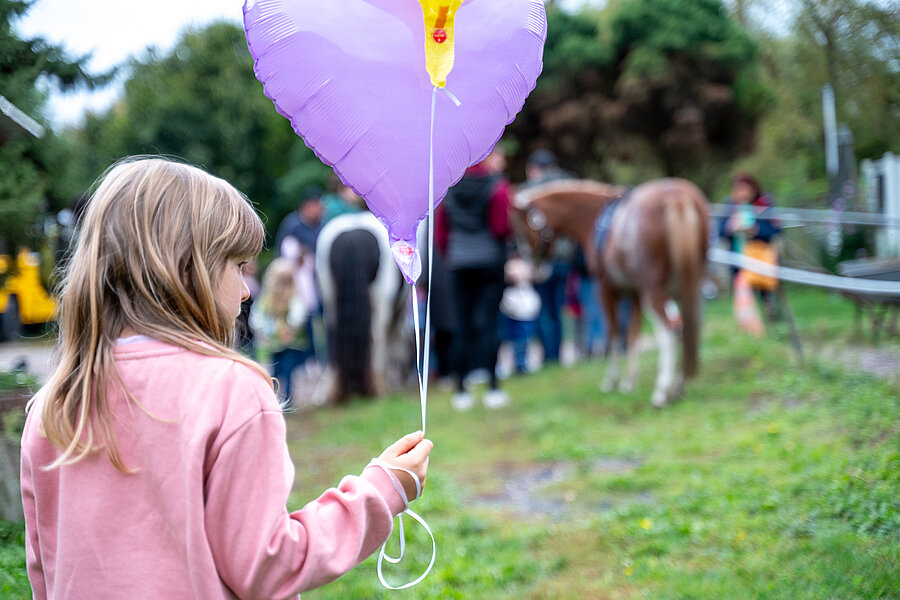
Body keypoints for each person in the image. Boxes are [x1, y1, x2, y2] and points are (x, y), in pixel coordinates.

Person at [20, 157, 433, 600]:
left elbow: (46, 567)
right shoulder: (230, 389)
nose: (245, 290)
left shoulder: (53, 405)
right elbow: (268, 565)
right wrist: (382, 489)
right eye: (237, 266)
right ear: (184, 269)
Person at [436, 148, 511, 410]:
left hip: (458, 263)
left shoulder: (447, 188)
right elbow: (502, 227)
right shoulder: (498, 187)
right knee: (490, 323)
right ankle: (492, 388)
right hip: (489, 261)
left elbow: (441, 233)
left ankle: (461, 390)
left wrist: (452, 256)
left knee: (461, 325)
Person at [520, 149, 575, 366]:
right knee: (557, 305)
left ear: (533, 170)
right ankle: (557, 354)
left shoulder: (530, 192)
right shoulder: (567, 189)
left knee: (542, 308)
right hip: (564, 257)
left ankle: (549, 355)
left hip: (540, 259)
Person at [250, 258, 311, 408]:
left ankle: (282, 399)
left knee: (282, 370)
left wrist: (289, 328)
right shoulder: (268, 300)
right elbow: (258, 318)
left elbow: (297, 315)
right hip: (280, 343)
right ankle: (282, 399)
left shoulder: (284, 299)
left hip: (285, 343)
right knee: (282, 370)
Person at [719, 172, 781, 319]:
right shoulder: (730, 207)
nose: (742, 193)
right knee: (743, 292)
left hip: (761, 256)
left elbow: (776, 229)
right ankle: (748, 322)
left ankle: (770, 315)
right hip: (738, 256)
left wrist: (755, 230)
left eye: (745, 189)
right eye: (738, 189)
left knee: (765, 290)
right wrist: (730, 227)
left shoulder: (764, 204)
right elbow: (720, 231)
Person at [275, 185, 325, 362]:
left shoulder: (321, 226)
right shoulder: (291, 225)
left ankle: (317, 359)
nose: (320, 210)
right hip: (296, 285)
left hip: (319, 284)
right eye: (317, 206)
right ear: (307, 205)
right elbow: (281, 257)